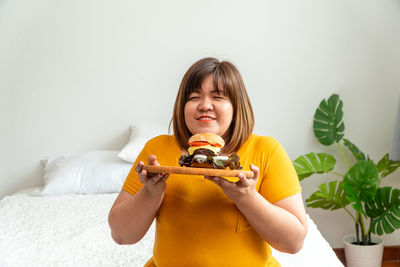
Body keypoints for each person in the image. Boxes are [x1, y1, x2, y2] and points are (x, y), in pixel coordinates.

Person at [108, 57, 308, 267]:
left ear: (236, 107)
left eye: (218, 97)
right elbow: (121, 235)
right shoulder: (156, 151)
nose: (204, 105)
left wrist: (247, 198)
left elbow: (293, 242)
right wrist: (150, 193)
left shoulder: (266, 150)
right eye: (194, 97)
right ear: (182, 106)